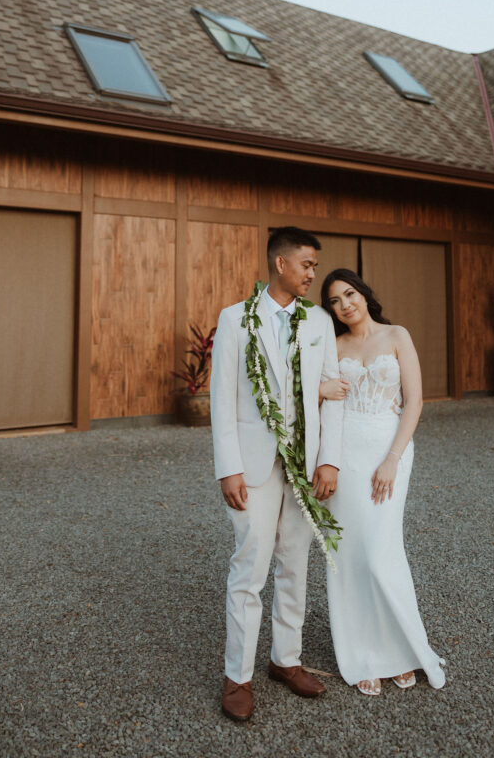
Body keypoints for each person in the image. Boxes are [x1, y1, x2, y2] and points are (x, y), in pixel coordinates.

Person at [210, 227, 344, 721]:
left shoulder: (319, 322)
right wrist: (229, 468)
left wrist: (329, 460)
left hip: (304, 465)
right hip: (255, 464)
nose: (313, 273)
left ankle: (285, 660)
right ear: (280, 263)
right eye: (307, 264)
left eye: (314, 265)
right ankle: (236, 676)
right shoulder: (235, 320)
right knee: (250, 567)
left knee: (296, 563)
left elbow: (335, 396)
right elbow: (223, 400)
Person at [319, 268, 446, 696]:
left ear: (363, 293)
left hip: (390, 451)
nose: (344, 305)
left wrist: (392, 458)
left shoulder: (397, 336)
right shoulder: (333, 346)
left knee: (381, 551)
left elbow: (415, 400)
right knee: (350, 554)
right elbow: (316, 396)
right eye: (334, 301)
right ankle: (362, 653)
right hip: (347, 454)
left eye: (349, 294)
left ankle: (401, 650)